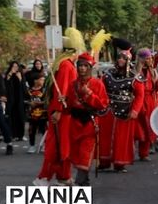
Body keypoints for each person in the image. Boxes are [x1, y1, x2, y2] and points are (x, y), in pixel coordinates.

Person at [33, 34, 80, 186]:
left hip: (66, 111)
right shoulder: (66, 65)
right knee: (57, 145)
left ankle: (64, 175)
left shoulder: (64, 63)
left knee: (65, 144)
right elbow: (63, 90)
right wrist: (59, 110)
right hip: (61, 111)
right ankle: (43, 177)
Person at [98, 44, 144, 172]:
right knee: (105, 137)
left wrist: (135, 110)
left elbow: (140, 95)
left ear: (128, 60)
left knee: (122, 138)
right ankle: (104, 161)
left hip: (125, 111)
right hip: (108, 110)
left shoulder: (134, 76)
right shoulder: (108, 74)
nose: (121, 60)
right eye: (119, 58)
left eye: (124, 58)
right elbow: (101, 89)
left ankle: (120, 162)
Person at [65, 53, 109, 186]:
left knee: (86, 151)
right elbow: (68, 108)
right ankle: (84, 180)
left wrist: (89, 94)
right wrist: (64, 102)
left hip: (89, 123)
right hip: (75, 123)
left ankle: (80, 180)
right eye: (80, 66)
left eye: (85, 66)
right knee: (77, 153)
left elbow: (103, 104)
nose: (82, 68)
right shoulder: (72, 85)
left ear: (90, 67)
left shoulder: (97, 84)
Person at [135, 48, 158, 160]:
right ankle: (133, 151)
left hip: (150, 100)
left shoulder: (152, 71)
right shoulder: (137, 71)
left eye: (150, 58)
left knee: (148, 127)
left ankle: (144, 152)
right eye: (148, 58)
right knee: (139, 128)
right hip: (140, 101)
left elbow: (156, 88)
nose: (150, 60)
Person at [5, 61, 27, 141]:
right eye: (13, 66)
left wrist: (20, 78)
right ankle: (13, 135)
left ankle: (21, 135)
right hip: (11, 99)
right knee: (12, 117)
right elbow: (6, 85)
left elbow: (24, 89)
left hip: (19, 99)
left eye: (16, 67)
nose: (15, 68)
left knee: (20, 117)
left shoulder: (21, 75)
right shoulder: (9, 75)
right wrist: (10, 73)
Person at [26, 72, 47, 154]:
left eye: (43, 80)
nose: (42, 81)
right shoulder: (29, 90)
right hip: (32, 114)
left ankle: (45, 145)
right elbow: (25, 100)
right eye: (41, 79)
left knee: (43, 130)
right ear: (35, 80)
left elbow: (47, 101)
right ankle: (32, 145)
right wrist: (29, 103)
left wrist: (39, 103)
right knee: (31, 130)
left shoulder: (44, 90)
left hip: (42, 114)